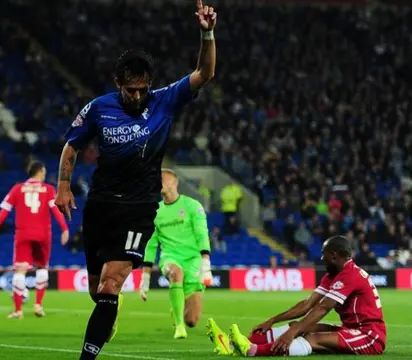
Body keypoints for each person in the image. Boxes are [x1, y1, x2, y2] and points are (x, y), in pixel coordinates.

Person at [55, 1, 217, 358]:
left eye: (143, 89)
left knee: (112, 283)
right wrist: (63, 186)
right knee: (98, 290)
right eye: (132, 90)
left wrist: (206, 33)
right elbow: (71, 147)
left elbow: (204, 73)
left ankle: (87, 355)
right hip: (100, 205)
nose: (139, 96)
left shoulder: (164, 101)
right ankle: (110, 310)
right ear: (118, 84)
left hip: (140, 207)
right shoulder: (99, 108)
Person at [207, 235, 387, 357]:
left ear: (333, 256)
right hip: (350, 328)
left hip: (369, 336)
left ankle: (251, 351)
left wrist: (293, 332)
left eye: (324, 254)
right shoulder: (332, 275)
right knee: (297, 326)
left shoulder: (350, 275)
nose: (321, 258)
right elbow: (308, 304)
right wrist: (273, 320)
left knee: (309, 337)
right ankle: (232, 344)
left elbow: (323, 308)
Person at [0, 161, 69, 319]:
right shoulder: (48, 189)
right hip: (43, 234)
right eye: (44, 171)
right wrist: (64, 229)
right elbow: (56, 211)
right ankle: (38, 304)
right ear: (39, 172)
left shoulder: (17, 189)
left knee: (20, 271)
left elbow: (4, 212)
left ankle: (18, 310)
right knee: (42, 268)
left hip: (23, 234)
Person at [139, 169, 212, 340]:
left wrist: (205, 263)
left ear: (174, 182)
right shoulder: (155, 212)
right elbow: (151, 245)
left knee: (192, 320)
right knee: (175, 273)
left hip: (193, 260)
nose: (159, 182)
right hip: (170, 258)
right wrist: (146, 278)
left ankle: (178, 311)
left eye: (163, 179)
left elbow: (202, 234)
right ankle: (179, 328)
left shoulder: (192, 206)